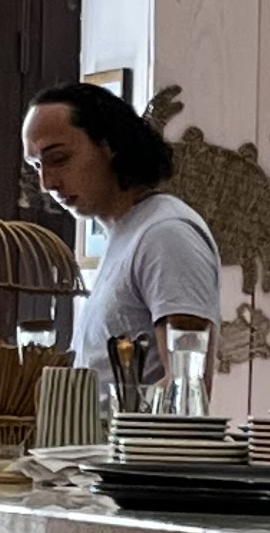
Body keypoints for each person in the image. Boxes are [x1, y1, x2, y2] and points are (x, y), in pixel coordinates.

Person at [22, 83, 224, 388]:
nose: (46, 183)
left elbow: (187, 385)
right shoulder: (129, 232)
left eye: (59, 159)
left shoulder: (166, 234)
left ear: (111, 146)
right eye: (37, 165)